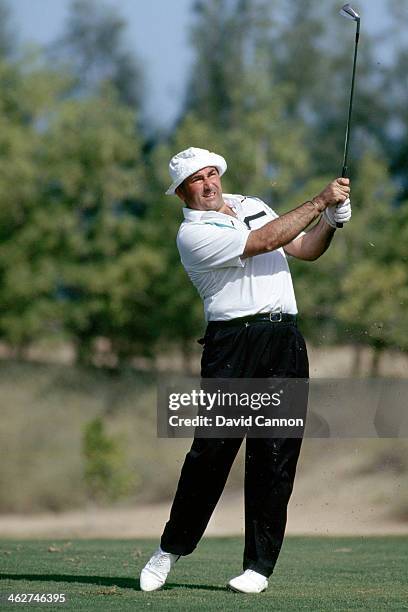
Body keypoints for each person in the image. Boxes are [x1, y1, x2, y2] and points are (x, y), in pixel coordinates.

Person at [140, 147, 351, 594]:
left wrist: (331, 221)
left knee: (275, 456)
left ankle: (258, 566)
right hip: (234, 344)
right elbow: (265, 242)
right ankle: (170, 549)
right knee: (212, 454)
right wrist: (319, 201)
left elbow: (304, 248)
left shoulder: (255, 205)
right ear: (181, 193)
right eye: (196, 180)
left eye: (211, 173)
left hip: (284, 342)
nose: (208, 183)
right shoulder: (191, 235)